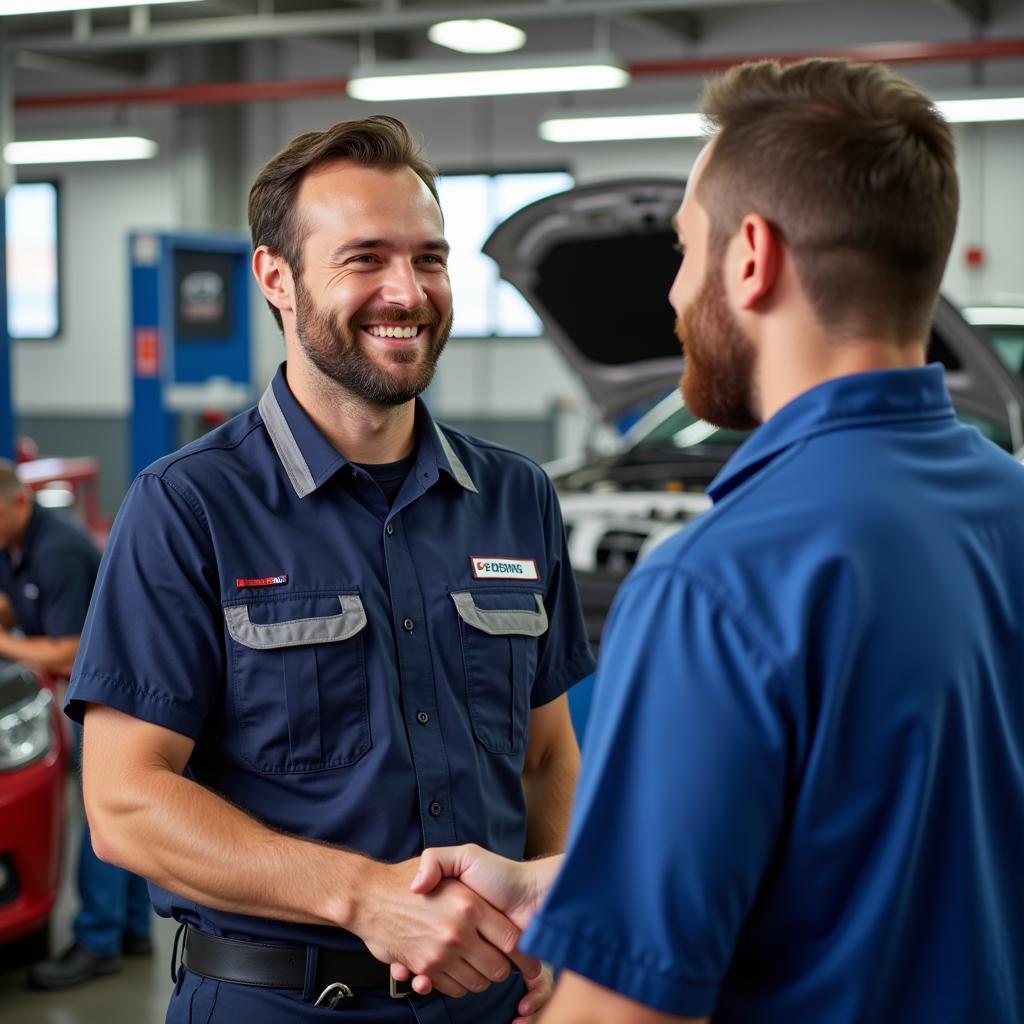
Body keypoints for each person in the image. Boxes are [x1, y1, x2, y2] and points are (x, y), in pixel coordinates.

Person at [393, 58, 1024, 1023]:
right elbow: (905, 848)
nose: (675, 297)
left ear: (752, 258)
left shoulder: (718, 585)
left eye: (683, 252)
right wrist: (589, 883)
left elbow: (621, 1014)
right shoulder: (1006, 509)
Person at [65, 115, 594, 1023]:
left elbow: (548, 758)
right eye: (366, 259)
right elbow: (125, 803)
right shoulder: (190, 506)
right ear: (277, 277)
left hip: (494, 1002)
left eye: (429, 258)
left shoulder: (517, 496)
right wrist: (363, 898)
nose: (409, 291)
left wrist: (564, 934)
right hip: (284, 1003)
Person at [0, 461, 152, 989]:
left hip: (122, 692)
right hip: (101, 688)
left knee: (104, 814)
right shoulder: (12, 548)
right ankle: (133, 929)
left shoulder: (56, 550)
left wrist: (4, 643)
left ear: (20, 504)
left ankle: (96, 942)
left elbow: (68, 652)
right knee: (123, 813)